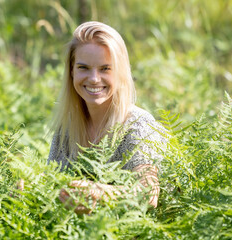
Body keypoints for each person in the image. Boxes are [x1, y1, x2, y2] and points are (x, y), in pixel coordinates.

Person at [47, 21, 167, 214]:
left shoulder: (138, 124)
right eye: (83, 67)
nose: (94, 78)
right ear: (71, 71)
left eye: (105, 69)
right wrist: (29, 191)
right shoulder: (67, 129)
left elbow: (148, 194)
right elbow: (52, 188)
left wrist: (99, 193)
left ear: (121, 73)